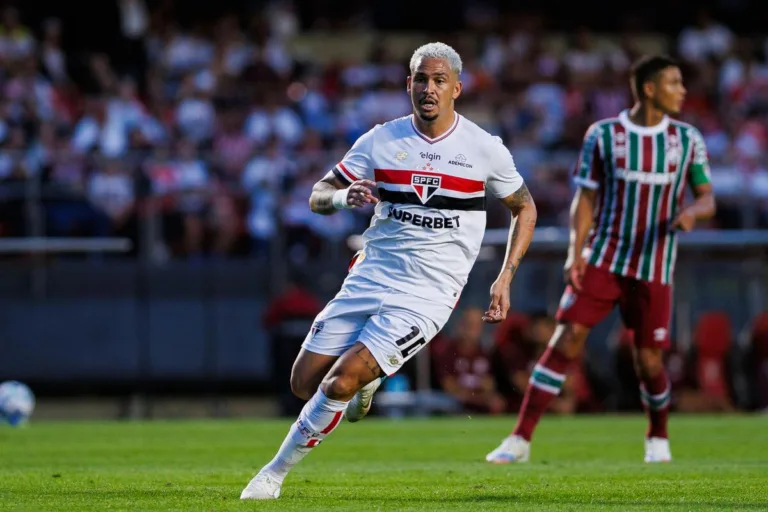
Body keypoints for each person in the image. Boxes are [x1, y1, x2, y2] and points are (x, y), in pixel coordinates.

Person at [240, 41, 538, 500]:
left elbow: (524, 208)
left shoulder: (484, 148)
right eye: (421, 78)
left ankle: (272, 474)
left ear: (457, 88)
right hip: (370, 275)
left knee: (339, 379)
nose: (429, 88)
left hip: (427, 293)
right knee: (303, 383)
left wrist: (505, 276)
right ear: (408, 85)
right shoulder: (382, 140)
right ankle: (367, 384)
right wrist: (343, 198)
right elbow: (318, 193)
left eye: (439, 80)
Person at [485, 55, 716, 464]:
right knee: (566, 338)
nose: (682, 90)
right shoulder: (604, 135)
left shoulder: (688, 139)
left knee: (648, 359)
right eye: (674, 83)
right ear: (649, 88)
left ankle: (657, 437)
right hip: (604, 256)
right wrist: (576, 251)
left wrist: (692, 214)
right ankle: (520, 438)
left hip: (654, 264)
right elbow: (585, 198)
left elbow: (706, 197)